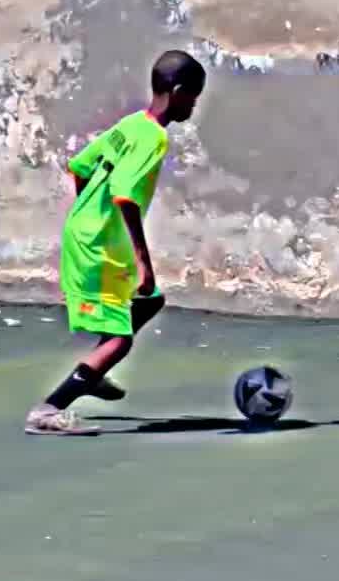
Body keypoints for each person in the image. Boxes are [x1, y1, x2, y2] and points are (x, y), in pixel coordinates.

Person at [25, 49, 206, 436]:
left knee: (150, 300)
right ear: (177, 93)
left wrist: (90, 213)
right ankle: (49, 410)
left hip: (89, 234)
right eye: (193, 97)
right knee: (121, 340)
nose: (194, 105)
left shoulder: (131, 125)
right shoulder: (153, 138)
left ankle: (93, 371)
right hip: (100, 247)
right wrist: (143, 262)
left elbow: (80, 166)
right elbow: (125, 195)